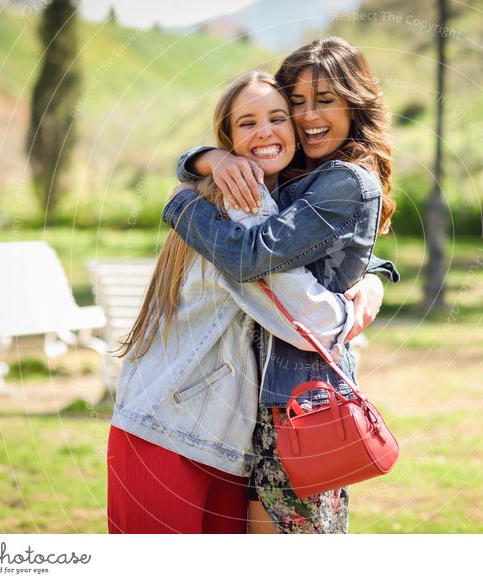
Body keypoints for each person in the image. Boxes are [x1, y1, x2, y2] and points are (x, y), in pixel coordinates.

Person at [107, 71, 359, 534]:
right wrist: (352, 310)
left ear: (296, 131)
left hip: (226, 445)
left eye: (277, 117)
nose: (265, 131)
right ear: (228, 139)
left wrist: (376, 271)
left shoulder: (274, 207)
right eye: (247, 123)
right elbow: (306, 320)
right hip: (167, 431)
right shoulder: (238, 210)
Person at [164, 37, 398, 533]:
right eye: (297, 102)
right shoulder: (300, 172)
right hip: (249, 394)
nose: (309, 115)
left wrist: (182, 206)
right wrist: (210, 159)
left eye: (326, 100)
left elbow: (252, 257)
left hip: (296, 401)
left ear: (354, 103)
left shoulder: (346, 180)